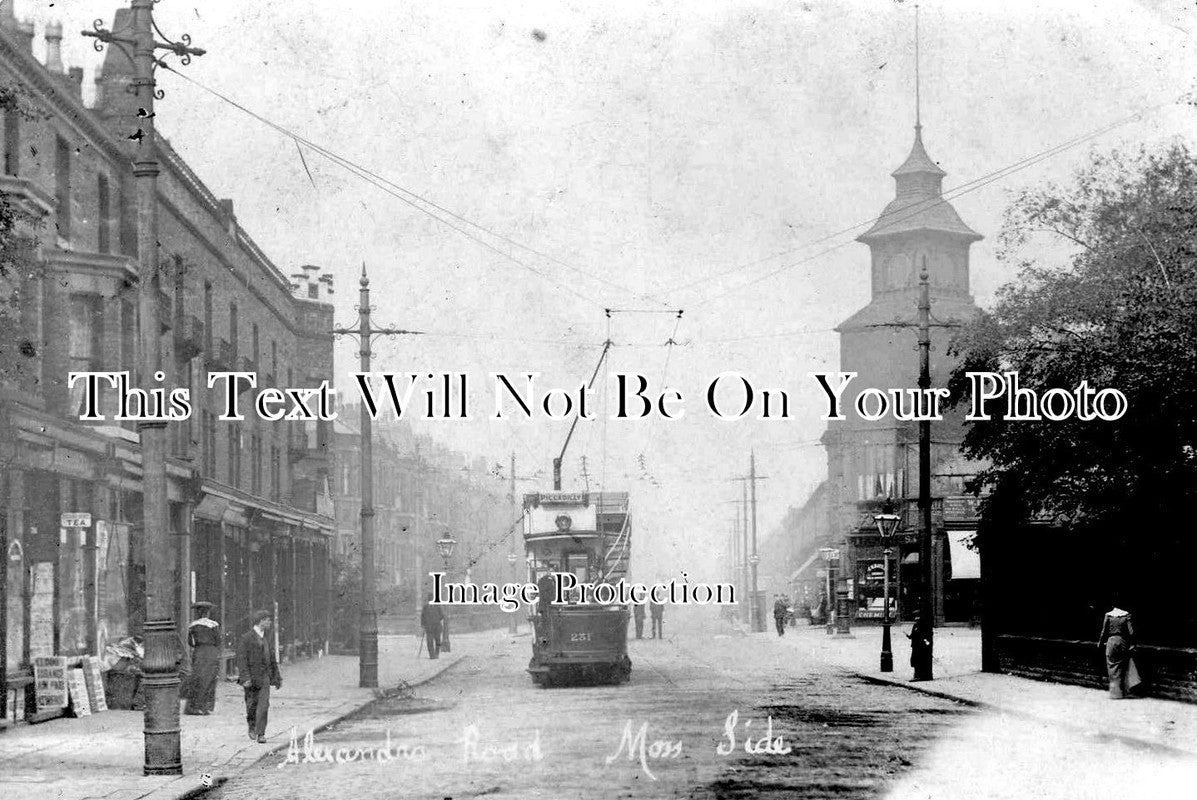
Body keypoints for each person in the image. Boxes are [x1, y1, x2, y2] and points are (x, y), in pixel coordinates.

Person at [236, 609, 282, 743]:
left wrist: (277, 677)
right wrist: (245, 678)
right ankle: (252, 726)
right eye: (267, 620)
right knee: (251, 705)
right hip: (251, 678)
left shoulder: (267, 637)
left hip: (265, 677)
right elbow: (241, 659)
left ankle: (261, 733)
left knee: (264, 705)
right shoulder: (246, 638)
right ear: (261, 621)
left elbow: (271, 658)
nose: (270, 622)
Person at [183, 601, 220, 715]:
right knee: (210, 678)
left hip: (199, 652)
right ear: (208, 613)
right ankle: (205, 706)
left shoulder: (192, 625)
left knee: (197, 678)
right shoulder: (214, 625)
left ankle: (194, 706)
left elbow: (191, 642)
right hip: (211, 653)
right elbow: (218, 640)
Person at [1098, 602, 1141, 699]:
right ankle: (1122, 692)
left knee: (1112, 666)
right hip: (1122, 642)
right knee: (1122, 666)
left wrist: (1100, 643)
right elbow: (1131, 632)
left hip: (1111, 642)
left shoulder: (1108, 615)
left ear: (1113, 606)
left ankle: (1114, 693)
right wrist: (1133, 644)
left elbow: (1103, 631)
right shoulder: (1126, 615)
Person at [908, 611, 932, 681]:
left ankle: (919, 676)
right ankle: (916, 675)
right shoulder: (915, 625)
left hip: (920, 646)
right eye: (915, 617)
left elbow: (923, 634)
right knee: (914, 660)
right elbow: (913, 634)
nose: (916, 619)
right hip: (915, 646)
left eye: (917, 617)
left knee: (918, 661)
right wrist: (910, 636)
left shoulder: (922, 625)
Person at [420, 594, 444, 660]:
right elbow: (422, 617)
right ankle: (432, 655)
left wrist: (436, 620)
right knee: (429, 642)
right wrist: (423, 625)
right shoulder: (425, 607)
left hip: (437, 627)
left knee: (438, 641)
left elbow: (442, 615)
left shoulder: (438, 606)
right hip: (429, 627)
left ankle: (436, 654)